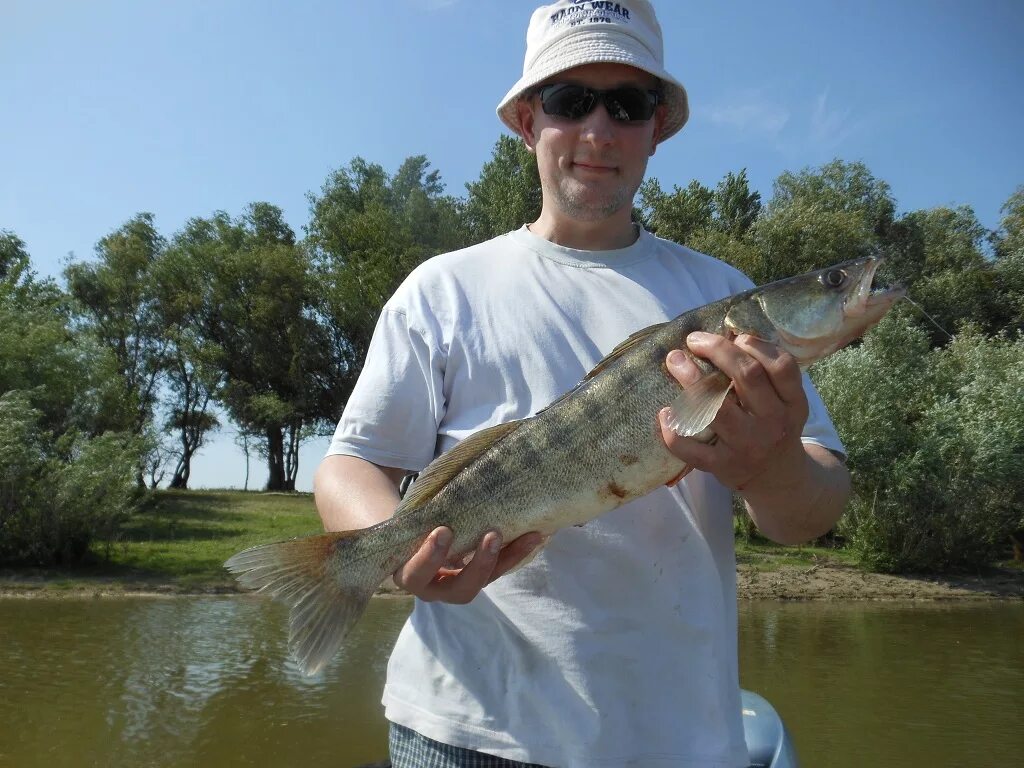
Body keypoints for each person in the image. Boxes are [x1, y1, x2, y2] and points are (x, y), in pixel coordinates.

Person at [315, 1, 851, 766]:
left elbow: (812, 509)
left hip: (678, 742)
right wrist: (397, 551)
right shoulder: (442, 290)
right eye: (571, 101)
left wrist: (775, 468)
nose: (599, 131)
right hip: (465, 731)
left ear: (657, 127)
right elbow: (353, 462)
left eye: (627, 104)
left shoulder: (727, 298)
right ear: (528, 122)